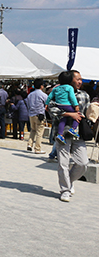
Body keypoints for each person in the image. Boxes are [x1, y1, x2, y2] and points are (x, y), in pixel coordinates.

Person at [47, 70, 88, 202]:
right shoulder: (58, 92)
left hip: (78, 134)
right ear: (70, 80)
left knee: (83, 163)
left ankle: (69, 181)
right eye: (77, 79)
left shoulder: (84, 95)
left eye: (81, 79)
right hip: (62, 133)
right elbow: (51, 109)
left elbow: (86, 112)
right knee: (63, 163)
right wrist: (70, 114)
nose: (80, 81)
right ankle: (65, 190)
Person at [46, 71, 81, 145]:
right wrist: (76, 105)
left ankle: (60, 134)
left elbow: (49, 96)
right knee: (78, 115)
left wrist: (46, 104)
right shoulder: (69, 88)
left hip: (59, 105)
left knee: (63, 119)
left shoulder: (56, 88)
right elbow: (72, 97)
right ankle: (73, 129)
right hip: (67, 105)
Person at [26, 79, 48, 154]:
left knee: (33, 130)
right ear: (41, 86)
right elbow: (47, 103)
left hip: (31, 114)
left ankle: (29, 144)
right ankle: (37, 148)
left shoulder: (30, 95)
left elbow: (28, 104)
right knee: (39, 132)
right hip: (39, 115)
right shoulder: (43, 95)